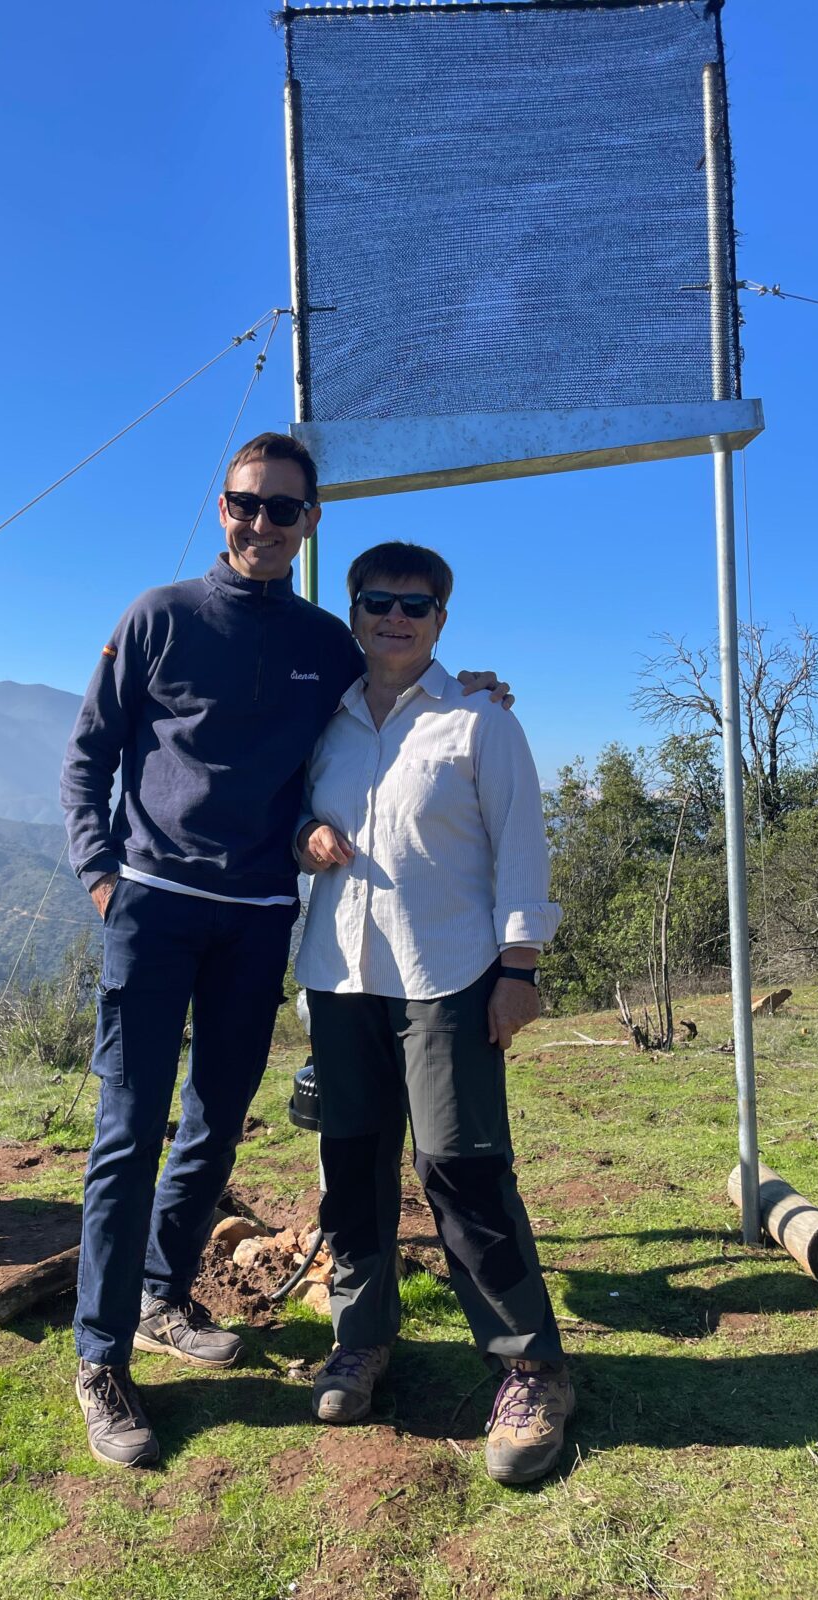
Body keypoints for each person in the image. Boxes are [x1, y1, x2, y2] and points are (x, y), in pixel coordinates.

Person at [60, 434, 510, 1468]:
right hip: (156, 905)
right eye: (244, 505)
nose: (260, 524)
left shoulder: (327, 641)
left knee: (214, 1128)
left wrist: (474, 686)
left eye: (283, 510)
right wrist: (101, 874)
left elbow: (395, 692)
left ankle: (165, 1297)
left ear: (312, 522)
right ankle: (101, 1356)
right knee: (129, 1130)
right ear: (222, 509)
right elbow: (91, 749)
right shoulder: (159, 616)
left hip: (262, 914)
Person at [295, 540, 570, 1487]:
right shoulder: (324, 725)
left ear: (442, 620)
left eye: (417, 604)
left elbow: (522, 842)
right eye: (378, 601)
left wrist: (519, 967)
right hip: (340, 978)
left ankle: (528, 1365)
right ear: (355, 611)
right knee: (352, 1163)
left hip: (449, 976)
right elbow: (285, 814)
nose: (396, 617)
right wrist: (304, 835)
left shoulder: (478, 722)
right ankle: (361, 1340)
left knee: (460, 1165)